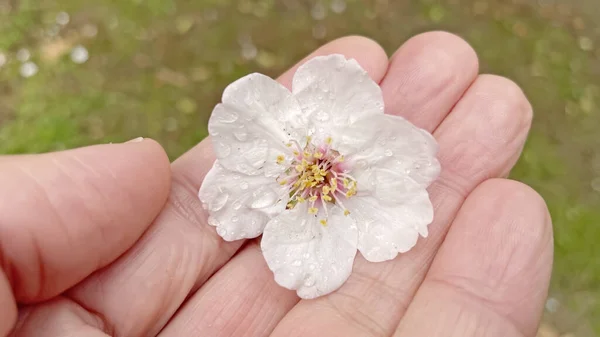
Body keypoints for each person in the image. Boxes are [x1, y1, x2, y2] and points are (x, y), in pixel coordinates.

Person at [0, 32, 553, 337]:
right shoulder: (261, 159)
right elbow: (237, 175)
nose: (317, 175)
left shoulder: (378, 155)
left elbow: (407, 168)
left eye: (321, 171)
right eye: (313, 172)